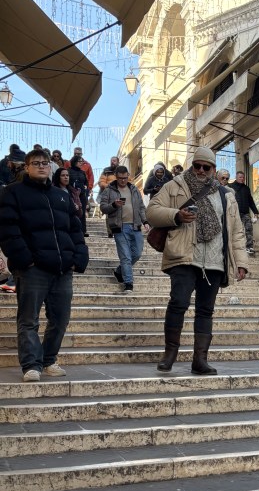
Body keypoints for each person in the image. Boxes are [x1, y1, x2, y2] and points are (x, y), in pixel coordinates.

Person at [146, 146, 248, 375]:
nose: (201, 170)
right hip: (184, 255)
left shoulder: (226, 195)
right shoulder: (175, 186)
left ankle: (200, 360)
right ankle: (170, 352)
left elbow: (237, 231)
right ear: (192, 165)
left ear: (213, 169)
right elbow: (152, 211)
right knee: (178, 302)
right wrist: (176, 215)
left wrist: (241, 262)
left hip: (214, 261)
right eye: (197, 166)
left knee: (205, 310)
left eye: (207, 167)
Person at [0, 150, 88, 381]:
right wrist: (24, 259)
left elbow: (75, 229)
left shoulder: (61, 196)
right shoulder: (12, 193)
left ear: (51, 168)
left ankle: (48, 359)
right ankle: (31, 364)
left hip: (62, 268)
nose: (41, 167)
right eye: (35, 163)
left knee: (60, 319)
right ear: (27, 167)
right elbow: (8, 229)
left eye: (44, 163)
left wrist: (79, 257)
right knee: (29, 319)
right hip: (32, 268)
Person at [100, 165, 149, 294]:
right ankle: (128, 283)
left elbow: (141, 207)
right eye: (120, 178)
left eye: (125, 178)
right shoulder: (109, 190)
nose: (123, 180)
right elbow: (103, 208)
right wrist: (114, 205)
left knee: (137, 253)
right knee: (125, 257)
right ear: (116, 177)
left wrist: (145, 221)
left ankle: (119, 271)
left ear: (128, 177)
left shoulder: (134, 189)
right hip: (119, 227)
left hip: (135, 226)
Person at [230, 170, 259, 256]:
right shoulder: (230, 187)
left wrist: (255, 211)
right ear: (236, 177)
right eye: (240, 177)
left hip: (245, 213)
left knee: (249, 229)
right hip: (235, 213)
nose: (242, 179)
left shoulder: (246, 188)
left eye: (243, 177)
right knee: (234, 229)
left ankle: (249, 247)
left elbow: (250, 201)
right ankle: (231, 245)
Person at [67, 154, 90, 236]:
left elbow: (86, 183)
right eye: (80, 161)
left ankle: (83, 230)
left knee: (82, 212)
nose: (82, 163)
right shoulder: (68, 171)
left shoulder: (82, 172)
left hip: (82, 195)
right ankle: (72, 229)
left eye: (82, 161)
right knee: (73, 211)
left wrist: (86, 191)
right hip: (71, 194)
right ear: (75, 162)